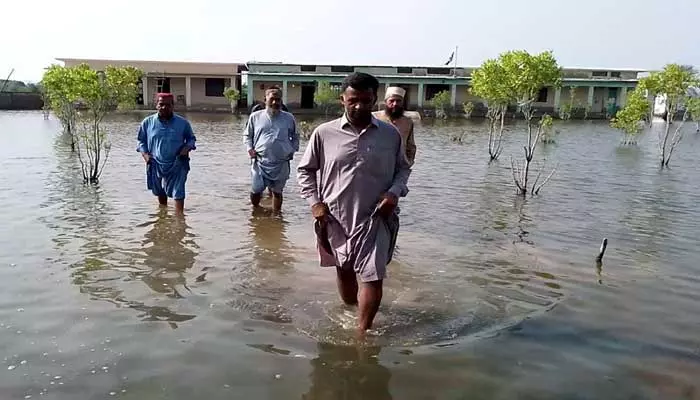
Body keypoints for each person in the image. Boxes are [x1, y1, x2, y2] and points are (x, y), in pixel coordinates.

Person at [297, 72, 411, 334]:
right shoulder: (323, 134)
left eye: (366, 100)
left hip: (376, 216)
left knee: (372, 274)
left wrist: (393, 193)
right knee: (344, 269)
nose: (359, 106)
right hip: (335, 217)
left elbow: (403, 169)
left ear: (375, 100)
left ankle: (362, 333)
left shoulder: (390, 134)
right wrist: (315, 203)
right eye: (353, 100)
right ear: (342, 100)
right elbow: (305, 171)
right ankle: (350, 310)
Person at [137, 93, 196, 214]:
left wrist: (186, 148)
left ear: (173, 106)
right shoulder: (147, 123)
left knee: (178, 191)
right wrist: (145, 155)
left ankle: (180, 220)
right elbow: (141, 141)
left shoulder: (183, 123)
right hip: (155, 162)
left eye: (168, 105)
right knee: (160, 192)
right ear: (156, 105)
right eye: (161, 104)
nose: (164, 107)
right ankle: (162, 218)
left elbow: (191, 139)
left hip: (178, 162)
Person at [244, 86, 299, 213]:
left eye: (278, 100)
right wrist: (249, 148)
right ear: (265, 100)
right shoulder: (255, 117)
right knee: (256, 189)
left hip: (281, 162)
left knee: (277, 192)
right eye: (272, 99)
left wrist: (292, 150)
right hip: (259, 161)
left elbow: (295, 136)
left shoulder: (289, 118)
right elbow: (248, 135)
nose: (275, 102)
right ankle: (255, 211)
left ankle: (276, 217)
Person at [373, 86, 417, 166]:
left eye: (398, 101)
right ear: (386, 102)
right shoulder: (374, 118)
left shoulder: (407, 122)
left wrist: (409, 162)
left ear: (403, 103)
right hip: (376, 164)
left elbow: (411, 146)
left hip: (399, 166)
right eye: (392, 101)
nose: (395, 104)